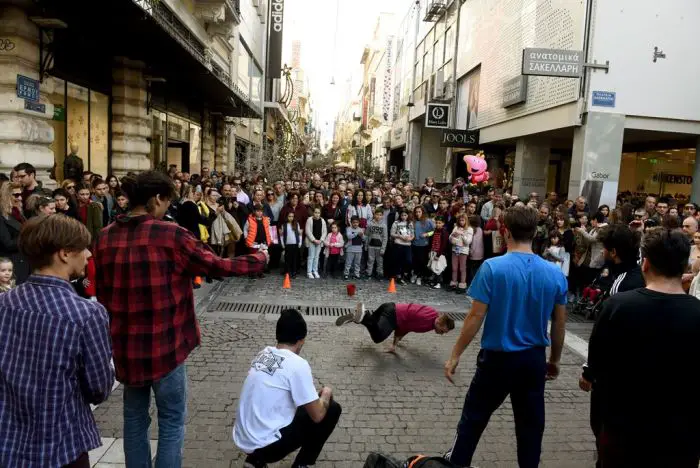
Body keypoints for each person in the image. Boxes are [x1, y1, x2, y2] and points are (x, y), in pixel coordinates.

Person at [93, 171, 267, 467]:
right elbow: (217, 265)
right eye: (166, 202)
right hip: (167, 347)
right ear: (157, 199)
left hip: (126, 349)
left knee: (134, 419)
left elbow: (103, 296)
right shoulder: (170, 234)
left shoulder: (105, 237)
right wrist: (258, 259)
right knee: (172, 421)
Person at [444, 205, 568, 468]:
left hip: (497, 360)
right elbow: (559, 323)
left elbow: (475, 317)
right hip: (533, 360)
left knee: (473, 420)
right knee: (531, 429)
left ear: (506, 231)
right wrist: (555, 360)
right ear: (534, 233)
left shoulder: (492, 268)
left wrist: (455, 355)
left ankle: (457, 464)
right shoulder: (555, 274)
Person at [0, 214, 114, 467]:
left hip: (8, 441)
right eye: (83, 248)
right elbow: (99, 388)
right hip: (61, 444)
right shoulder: (86, 313)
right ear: (64, 253)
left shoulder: (4, 304)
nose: (88, 254)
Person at [586, 228, 700, 467]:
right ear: (684, 267)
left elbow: (596, 366)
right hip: (680, 437)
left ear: (645, 264)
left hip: (622, 432)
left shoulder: (617, 306)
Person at [234, 309, 342, 468]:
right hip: (267, 446)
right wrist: (326, 394)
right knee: (331, 409)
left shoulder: (264, 353)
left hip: (243, 438)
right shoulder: (298, 364)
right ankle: (302, 464)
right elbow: (318, 415)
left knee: (304, 404)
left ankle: (254, 460)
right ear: (301, 340)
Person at [336, 302, 455, 353]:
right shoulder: (427, 323)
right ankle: (364, 314)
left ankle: (359, 317)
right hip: (392, 315)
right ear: (441, 324)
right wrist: (395, 343)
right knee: (378, 337)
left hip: (389, 306)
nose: (441, 333)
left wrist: (395, 344)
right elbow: (404, 328)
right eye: (443, 331)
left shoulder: (433, 314)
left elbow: (406, 328)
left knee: (373, 324)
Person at [0, 183, 29, 284]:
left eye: (20, 194)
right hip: (10, 266)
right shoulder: (1, 216)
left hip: (24, 263)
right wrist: (28, 238)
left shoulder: (18, 214)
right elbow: (7, 243)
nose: (20, 198)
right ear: (6, 196)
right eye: (16, 195)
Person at [390, 209, 414, 284]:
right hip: (398, 244)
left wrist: (410, 238)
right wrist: (400, 237)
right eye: (402, 215)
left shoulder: (410, 223)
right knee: (398, 261)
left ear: (408, 215)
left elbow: (413, 234)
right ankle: (399, 276)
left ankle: (405, 273)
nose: (404, 217)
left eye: (405, 215)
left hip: (407, 245)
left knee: (408, 260)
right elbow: (392, 234)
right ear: (400, 215)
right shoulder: (396, 223)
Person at [365, 207, 388, 280]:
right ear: (374, 215)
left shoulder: (384, 226)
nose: (378, 216)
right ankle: (369, 273)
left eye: (380, 215)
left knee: (379, 261)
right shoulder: (370, 224)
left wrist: (383, 249)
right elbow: (367, 235)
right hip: (371, 246)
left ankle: (379, 274)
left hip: (379, 247)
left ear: (382, 216)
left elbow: (385, 238)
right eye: (377, 214)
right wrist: (366, 245)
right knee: (370, 260)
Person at [305, 206, 327, 279]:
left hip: (319, 242)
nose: (317, 214)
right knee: (311, 256)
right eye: (315, 212)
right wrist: (314, 240)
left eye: (318, 213)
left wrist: (320, 240)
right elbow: (307, 231)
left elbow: (324, 231)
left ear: (320, 213)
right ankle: (309, 272)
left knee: (317, 257)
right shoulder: (309, 220)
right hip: (312, 241)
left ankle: (315, 270)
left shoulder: (322, 220)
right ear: (313, 213)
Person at [281, 210, 303, 278]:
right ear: (287, 217)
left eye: (292, 216)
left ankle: (294, 272)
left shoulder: (296, 224)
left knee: (294, 259)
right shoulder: (284, 225)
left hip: (295, 244)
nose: (291, 218)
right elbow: (281, 236)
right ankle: (287, 272)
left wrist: (300, 242)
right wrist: (283, 245)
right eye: (289, 216)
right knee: (287, 259)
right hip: (287, 245)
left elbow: (300, 234)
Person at [344, 215, 365, 280]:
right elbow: (349, 236)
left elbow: (364, 239)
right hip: (350, 249)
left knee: (357, 263)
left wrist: (362, 236)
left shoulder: (361, 229)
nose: (355, 224)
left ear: (358, 223)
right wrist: (356, 233)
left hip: (358, 249)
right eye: (354, 222)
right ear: (351, 222)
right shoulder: (348, 229)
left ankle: (357, 274)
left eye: (357, 222)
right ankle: (346, 274)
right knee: (348, 263)